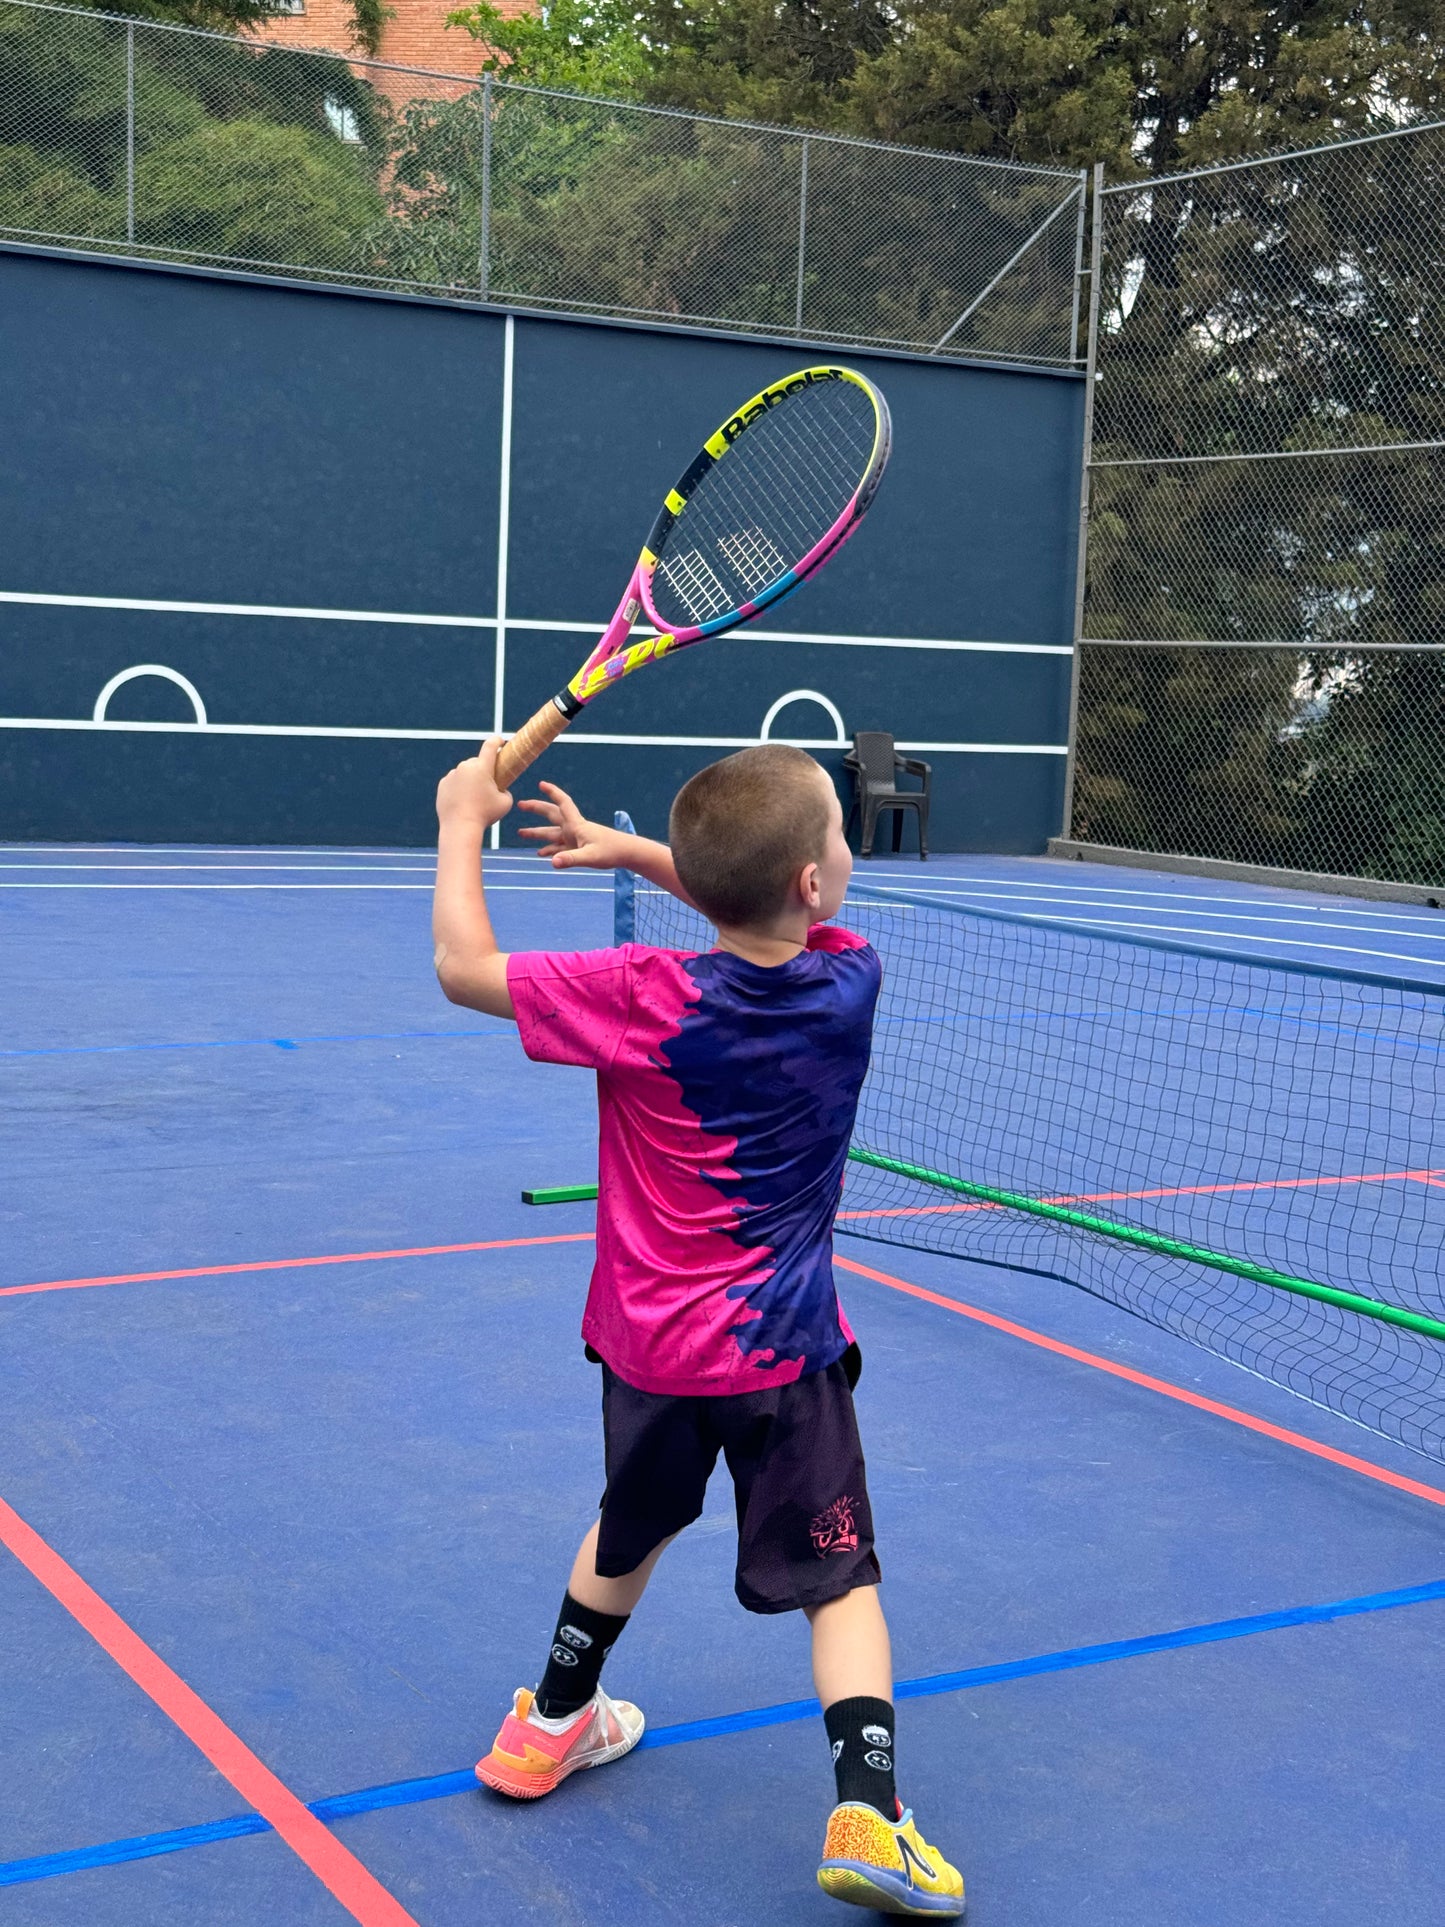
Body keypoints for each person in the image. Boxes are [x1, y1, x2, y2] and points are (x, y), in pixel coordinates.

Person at [431, 738, 965, 1918]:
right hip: (783, 1354)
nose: (836, 847)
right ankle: (868, 1815)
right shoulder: (848, 980)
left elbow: (463, 965)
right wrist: (638, 853)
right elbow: (753, 897)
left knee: (628, 1527)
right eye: (834, 830)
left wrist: (459, 817)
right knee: (840, 1581)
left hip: (650, 1352)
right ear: (815, 885)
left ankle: (550, 1724)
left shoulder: (637, 994)